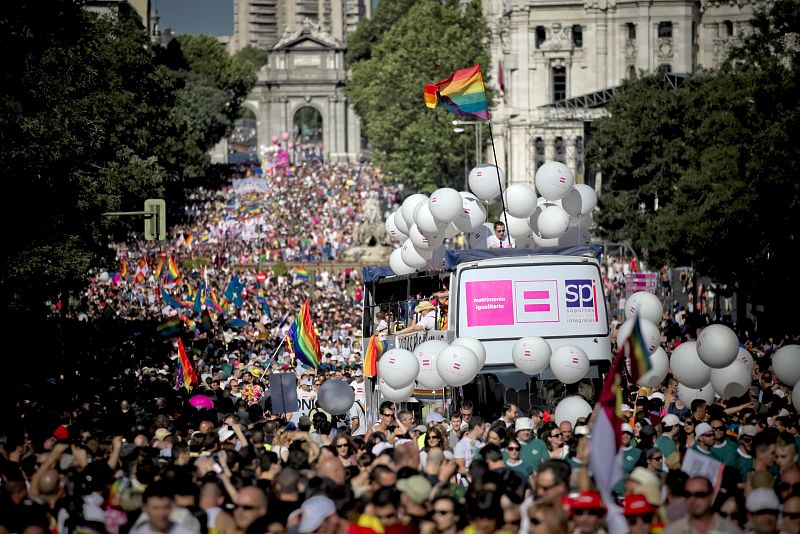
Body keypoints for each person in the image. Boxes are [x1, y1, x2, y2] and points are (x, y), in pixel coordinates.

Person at [663, 476, 744, 534]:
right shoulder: (673, 531)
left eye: (699, 494)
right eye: (687, 494)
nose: (692, 499)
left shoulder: (731, 530)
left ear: (711, 497)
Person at [130, 482, 198, 534]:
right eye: (155, 508)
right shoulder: (136, 531)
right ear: (144, 507)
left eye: (166, 507)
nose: (161, 513)